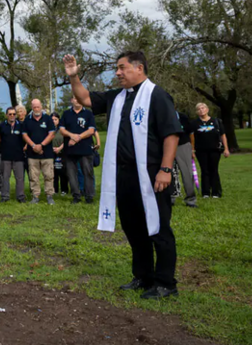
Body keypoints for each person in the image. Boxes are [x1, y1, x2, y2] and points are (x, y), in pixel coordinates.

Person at [65, 51, 182, 300]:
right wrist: (74, 76)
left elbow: (171, 134)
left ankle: (165, 282)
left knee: (158, 227)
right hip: (124, 174)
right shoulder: (116, 97)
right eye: (117, 69)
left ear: (139, 68)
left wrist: (165, 169)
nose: (117, 73)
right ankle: (143, 276)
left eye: (122, 68)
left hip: (151, 173)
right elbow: (84, 98)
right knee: (134, 227)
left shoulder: (157, 96)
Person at [59, 96, 97, 204]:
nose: (78, 101)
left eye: (80, 99)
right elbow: (62, 129)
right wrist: (72, 135)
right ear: (72, 100)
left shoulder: (88, 114)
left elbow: (91, 130)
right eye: (75, 99)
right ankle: (76, 196)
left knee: (87, 173)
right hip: (70, 150)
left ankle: (89, 196)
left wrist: (78, 138)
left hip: (85, 149)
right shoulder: (66, 114)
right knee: (71, 174)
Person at [191, 103, 230, 199]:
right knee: (204, 170)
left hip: (215, 150)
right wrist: (192, 150)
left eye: (203, 108)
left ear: (207, 109)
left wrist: (226, 148)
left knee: (214, 169)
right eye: (199, 109)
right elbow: (191, 137)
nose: (201, 110)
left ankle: (216, 192)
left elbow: (223, 135)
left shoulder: (216, 121)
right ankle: (206, 192)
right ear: (196, 112)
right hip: (201, 151)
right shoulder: (195, 123)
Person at [22, 99, 56, 205]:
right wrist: (33, 145)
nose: (36, 109)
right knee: (33, 176)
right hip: (32, 153)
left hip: (47, 153)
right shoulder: (27, 120)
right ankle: (35, 196)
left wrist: (41, 145)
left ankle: (49, 195)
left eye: (38, 106)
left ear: (41, 106)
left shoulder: (48, 119)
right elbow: (24, 135)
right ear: (31, 107)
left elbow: (51, 134)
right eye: (34, 107)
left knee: (49, 175)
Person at [0, 107, 27, 202]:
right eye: (10, 114)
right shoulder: (2, 126)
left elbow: (26, 137)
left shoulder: (21, 125)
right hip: (6, 156)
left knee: (20, 178)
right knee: (5, 177)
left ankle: (20, 197)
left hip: (18, 156)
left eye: (14, 114)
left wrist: (25, 146)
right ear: (6, 115)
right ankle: (5, 196)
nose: (12, 116)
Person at [173, 111, 197, 207]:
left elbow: (191, 133)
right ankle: (170, 198)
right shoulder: (160, 115)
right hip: (164, 147)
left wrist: (192, 149)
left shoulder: (182, 116)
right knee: (167, 172)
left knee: (187, 172)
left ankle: (190, 200)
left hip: (182, 145)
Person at [51, 112, 68, 196]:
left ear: (59, 120)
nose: (54, 121)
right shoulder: (49, 129)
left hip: (62, 152)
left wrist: (59, 148)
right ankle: (55, 190)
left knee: (63, 171)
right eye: (52, 120)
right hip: (52, 153)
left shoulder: (62, 129)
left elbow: (66, 140)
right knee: (53, 172)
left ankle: (64, 190)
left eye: (55, 119)